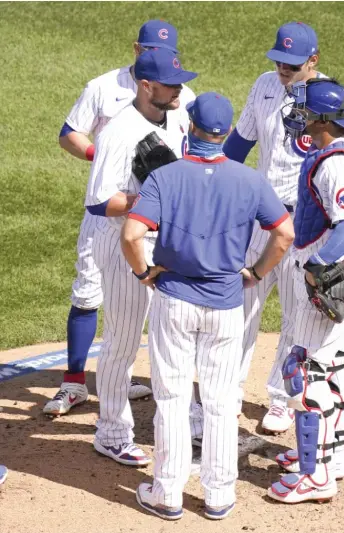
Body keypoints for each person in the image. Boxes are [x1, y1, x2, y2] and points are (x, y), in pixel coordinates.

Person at [121, 92, 294, 520]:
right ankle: (218, 495)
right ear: (225, 134)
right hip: (226, 307)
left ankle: (167, 493)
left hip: (175, 301)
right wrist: (255, 272)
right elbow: (284, 233)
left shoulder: (166, 177)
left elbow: (130, 235)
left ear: (192, 129)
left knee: (173, 398)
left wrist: (145, 273)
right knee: (219, 401)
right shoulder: (249, 179)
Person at [223, 21, 344, 433]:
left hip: (304, 225)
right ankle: (223, 393)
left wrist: (339, 200)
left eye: (292, 62)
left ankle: (280, 398)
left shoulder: (329, 99)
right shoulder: (263, 85)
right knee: (240, 308)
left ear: (313, 60)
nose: (282, 66)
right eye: (278, 58)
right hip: (262, 219)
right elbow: (238, 145)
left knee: (298, 314)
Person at [44, 20, 195, 417]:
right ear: (136, 48)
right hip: (109, 214)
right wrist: (106, 160)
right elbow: (69, 134)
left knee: (144, 308)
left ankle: (118, 380)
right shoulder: (104, 87)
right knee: (88, 292)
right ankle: (74, 382)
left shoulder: (180, 95)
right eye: (147, 50)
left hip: (154, 220)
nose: (154, 57)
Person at [83, 48, 197, 467]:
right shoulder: (117, 132)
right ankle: (111, 432)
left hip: (163, 243)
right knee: (123, 341)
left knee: (175, 337)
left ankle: (189, 417)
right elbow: (98, 202)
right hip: (121, 245)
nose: (179, 88)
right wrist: (150, 199)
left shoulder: (178, 116)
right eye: (171, 83)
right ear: (146, 85)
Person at [267, 78, 344, 503]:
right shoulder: (336, 150)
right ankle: (334, 457)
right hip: (341, 270)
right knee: (335, 362)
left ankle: (317, 476)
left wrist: (317, 266)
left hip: (331, 274)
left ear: (325, 121)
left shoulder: (336, 165)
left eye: (306, 113)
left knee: (304, 370)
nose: (299, 119)